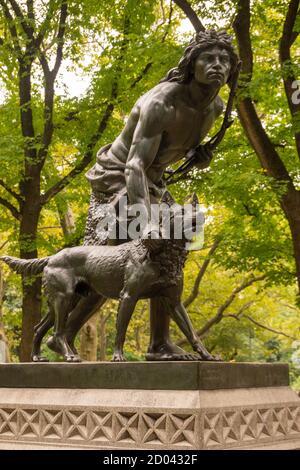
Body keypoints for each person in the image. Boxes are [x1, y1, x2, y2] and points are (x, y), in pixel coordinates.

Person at [54, 29, 239, 361]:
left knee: (170, 254)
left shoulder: (215, 109)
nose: (217, 65)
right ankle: (62, 333)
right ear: (191, 65)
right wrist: (147, 221)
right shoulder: (161, 102)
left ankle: (158, 343)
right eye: (208, 58)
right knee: (102, 266)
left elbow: (172, 149)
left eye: (224, 60)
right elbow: (134, 164)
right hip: (117, 178)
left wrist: (198, 155)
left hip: (152, 181)